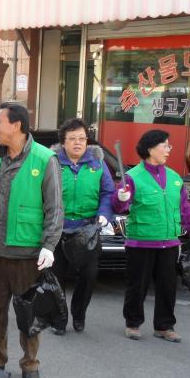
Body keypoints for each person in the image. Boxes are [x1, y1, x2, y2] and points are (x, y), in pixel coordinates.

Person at [0, 102, 62, 378]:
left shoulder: (44, 159)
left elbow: (54, 208)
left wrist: (49, 245)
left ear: (16, 125)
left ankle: (30, 364)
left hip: (27, 255)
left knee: (28, 314)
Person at [114, 129, 190, 343]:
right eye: (165, 145)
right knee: (138, 285)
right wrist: (121, 197)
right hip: (141, 241)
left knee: (167, 286)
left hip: (169, 242)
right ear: (150, 149)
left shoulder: (174, 178)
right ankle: (133, 323)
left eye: (168, 145)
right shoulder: (133, 177)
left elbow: (184, 209)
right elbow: (119, 206)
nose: (168, 149)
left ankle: (165, 326)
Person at [50, 118, 115, 334]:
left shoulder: (97, 163)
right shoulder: (53, 162)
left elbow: (108, 192)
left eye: (82, 138)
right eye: (72, 139)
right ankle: (58, 320)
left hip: (87, 230)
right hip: (58, 229)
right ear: (63, 142)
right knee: (56, 277)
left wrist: (104, 214)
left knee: (88, 277)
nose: (78, 143)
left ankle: (79, 315)